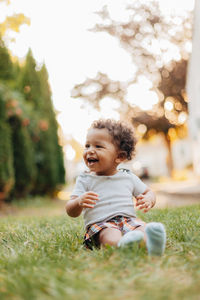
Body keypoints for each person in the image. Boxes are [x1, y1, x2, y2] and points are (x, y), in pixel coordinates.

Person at [66, 119, 166, 256]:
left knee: (142, 229)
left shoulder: (127, 177)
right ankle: (123, 246)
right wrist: (79, 202)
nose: (90, 151)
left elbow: (148, 191)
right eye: (87, 146)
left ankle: (151, 244)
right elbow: (70, 210)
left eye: (98, 146)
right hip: (102, 224)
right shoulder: (85, 179)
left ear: (119, 156)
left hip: (129, 220)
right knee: (110, 236)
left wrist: (149, 199)